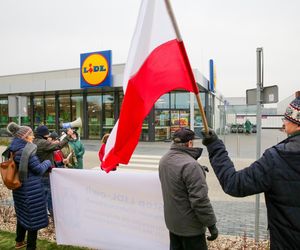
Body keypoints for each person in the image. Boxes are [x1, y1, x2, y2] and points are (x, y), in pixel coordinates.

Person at [201, 92, 300, 249]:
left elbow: (234, 183)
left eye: (286, 118)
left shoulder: (277, 158)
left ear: (297, 123)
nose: (284, 122)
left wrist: (214, 146)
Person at [158, 127, 218, 250]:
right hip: (191, 228)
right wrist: (211, 224)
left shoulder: (164, 160)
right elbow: (200, 201)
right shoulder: (191, 166)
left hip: (173, 223)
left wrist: (199, 169)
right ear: (189, 143)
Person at [6, 122, 52, 250]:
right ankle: (31, 247)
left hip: (19, 189)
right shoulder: (26, 150)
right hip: (30, 190)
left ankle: (19, 242)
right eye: (31, 134)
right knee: (33, 221)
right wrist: (47, 162)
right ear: (25, 137)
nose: (33, 136)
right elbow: (38, 169)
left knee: (22, 215)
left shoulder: (13, 148)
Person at [33, 125, 71, 216]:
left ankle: (43, 214)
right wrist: (68, 136)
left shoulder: (34, 142)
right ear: (44, 135)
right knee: (48, 196)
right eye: (47, 134)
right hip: (45, 174)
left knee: (40, 196)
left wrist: (60, 162)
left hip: (37, 172)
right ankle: (49, 215)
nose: (48, 136)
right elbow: (58, 146)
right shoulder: (43, 143)